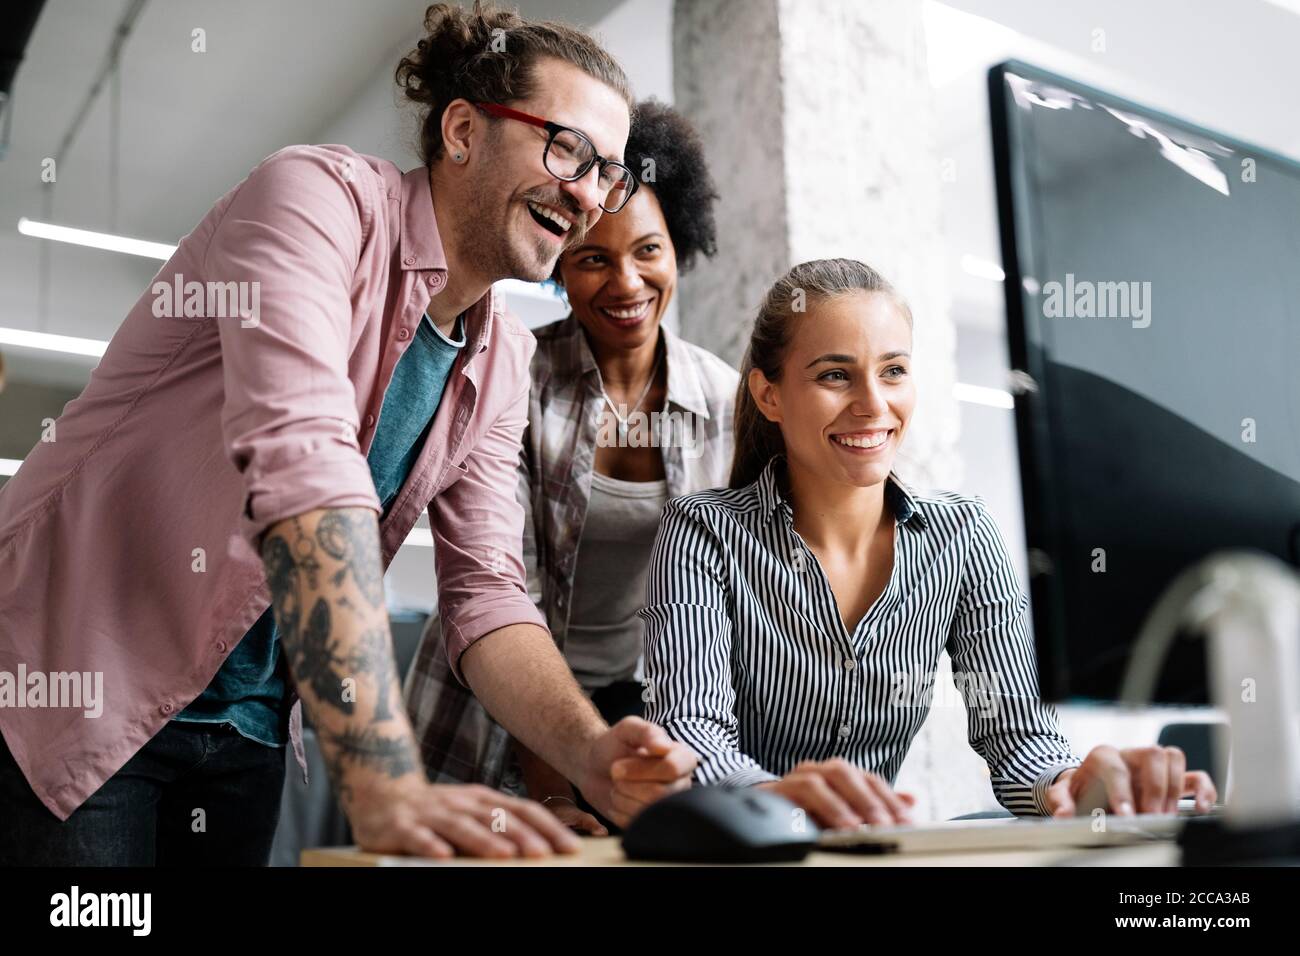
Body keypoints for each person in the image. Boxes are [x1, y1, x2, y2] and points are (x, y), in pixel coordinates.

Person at [0, 2, 697, 866]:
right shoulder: (314, 200)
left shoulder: (502, 354)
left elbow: (486, 595)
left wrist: (590, 756)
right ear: (463, 130)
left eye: (611, 175)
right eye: (568, 151)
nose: (590, 195)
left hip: (248, 727)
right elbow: (302, 462)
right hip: (76, 682)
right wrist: (380, 776)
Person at [639, 258, 1219, 828]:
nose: (873, 404)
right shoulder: (702, 532)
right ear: (769, 395)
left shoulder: (960, 535)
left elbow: (1019, 737)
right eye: (834, 375)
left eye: (893, 371)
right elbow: (692, 738)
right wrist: (777, 797)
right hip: (737, 854)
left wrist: (1074, 787)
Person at [406, 101, 737, 834]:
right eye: (594, 258)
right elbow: (503, 593)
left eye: (648, 250)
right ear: (559, 264)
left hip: (639, 706)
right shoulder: (512, 377)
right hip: (496, 699)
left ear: (680, 247)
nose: (626, 282)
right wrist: (553, 792)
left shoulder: (722, 399)